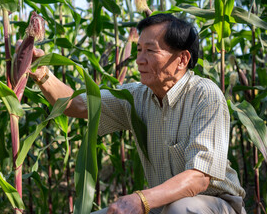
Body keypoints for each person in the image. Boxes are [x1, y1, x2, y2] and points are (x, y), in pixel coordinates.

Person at [28, 13, 246, 214]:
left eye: (150, 51)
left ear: (182, 59)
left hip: (214, 204)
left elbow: (199, 178)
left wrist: (140, 199)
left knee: (181, 209)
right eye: (139, 49)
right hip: (162, 204)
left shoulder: (204, 95)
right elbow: (77, 105)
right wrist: (42, 74)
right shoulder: (135, 97)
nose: (139, 60)